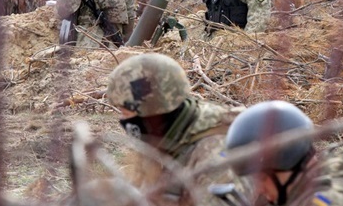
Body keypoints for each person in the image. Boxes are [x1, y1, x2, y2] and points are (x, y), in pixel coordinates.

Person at [105, 52, 253, 206]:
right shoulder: (167, 134)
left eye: (125, 112)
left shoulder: (214, 148)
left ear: (152, 112)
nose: (122, 120)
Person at [224, 100, 343, 206]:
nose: (259, 189)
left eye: (261, 178)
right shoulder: (315, 180)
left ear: (286, 159)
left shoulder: (327, 199)